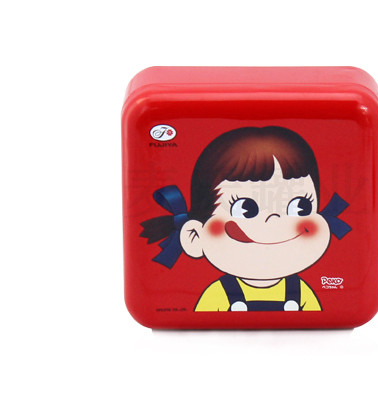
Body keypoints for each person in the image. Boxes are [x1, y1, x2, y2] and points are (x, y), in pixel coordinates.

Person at [140, 126, 351, 312]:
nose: (274, 220)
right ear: (194, 236)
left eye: (300, 206)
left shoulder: (300, 292)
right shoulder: (220, 294)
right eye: (246, 209)